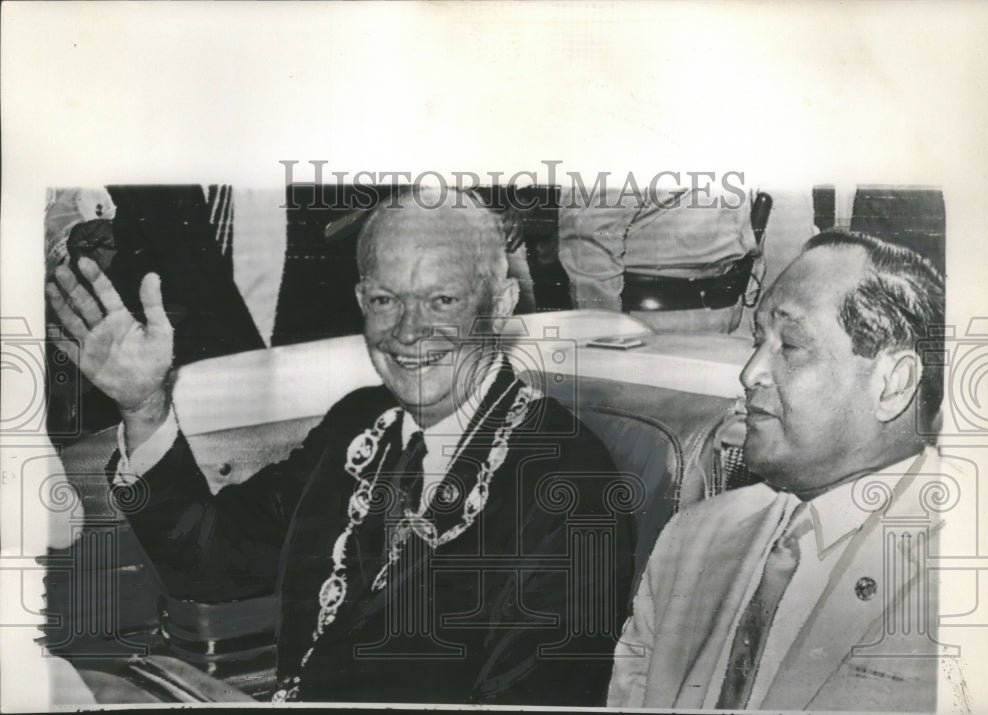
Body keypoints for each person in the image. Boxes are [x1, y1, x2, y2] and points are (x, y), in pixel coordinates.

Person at [46, 186, 635, 706]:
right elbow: (212, 561)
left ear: (501, 304)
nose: (407, 331)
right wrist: (144, 407)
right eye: (385, 300)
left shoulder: (570, 482)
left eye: (442, 301)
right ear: (360, 301)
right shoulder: (361, 422)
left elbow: (536, 701)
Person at [607, 231, 960, 711]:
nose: (751, 372)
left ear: (892, 384)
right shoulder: (691, 538)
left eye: (789, 345)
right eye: (757, 339)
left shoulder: (962, 574)